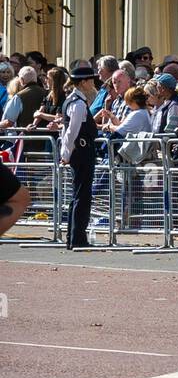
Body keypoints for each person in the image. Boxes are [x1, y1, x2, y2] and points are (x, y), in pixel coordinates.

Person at [58, 60, 99, 251]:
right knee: (82, 195)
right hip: (81, 151)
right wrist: (66, 153)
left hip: (78, 151)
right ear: (82, 82)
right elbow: (72, 131)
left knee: (79, 195)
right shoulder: (78, 104)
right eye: (90, 80)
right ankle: (77, 237)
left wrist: (66, 153)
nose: (92, 83)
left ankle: (73, 236)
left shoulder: (73, 100)